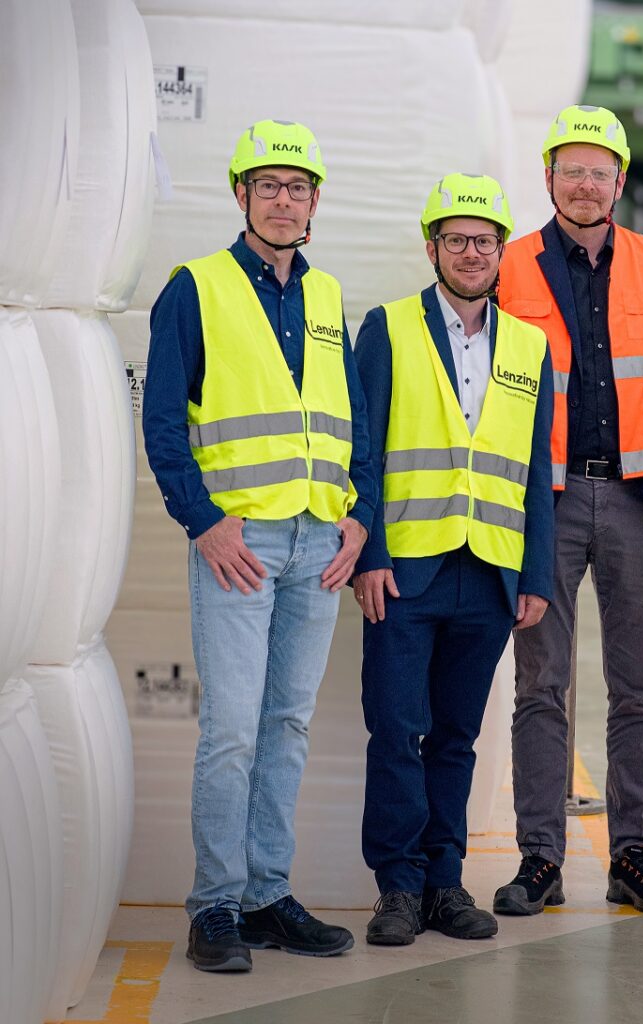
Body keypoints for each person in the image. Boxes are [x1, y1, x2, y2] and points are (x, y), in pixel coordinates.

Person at [143, 119, 376, 972]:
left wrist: (359, 516)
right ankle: (214, 906)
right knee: (233, 731)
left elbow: (348, 421)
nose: (285, 200)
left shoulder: (324, 297)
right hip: (239, 545)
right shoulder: (194, 288)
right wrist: (203, 522)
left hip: (319, 541)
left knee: (286, 725)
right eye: (269, 186)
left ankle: (266, 895)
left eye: (299, 187)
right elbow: (163, 422)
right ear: (242, 195)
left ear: (316, 202)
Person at [494, 104, 643, 916]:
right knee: (541, 685)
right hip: (543, 501)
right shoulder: (510, 266)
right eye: (570, 168)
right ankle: (540, 859)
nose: (585, 183)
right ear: (548, 178)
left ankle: (632, 856)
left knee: (637, 686)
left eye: (599, 169)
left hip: (636, 498)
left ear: (620, 180)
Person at [352, 173, 554, 946]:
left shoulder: (528, 345)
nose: (471, 253)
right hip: (404, 570)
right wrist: (368, 548)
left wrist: (533, 574)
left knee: (457, 737)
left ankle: (444, 882)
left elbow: (536, 467)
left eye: (484, 240)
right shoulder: (389, 327)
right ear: (431, 246)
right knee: (397, 730)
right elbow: (362, 452)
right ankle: (398, 888)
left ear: (502, 252)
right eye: (457, 239)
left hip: (491, 573)